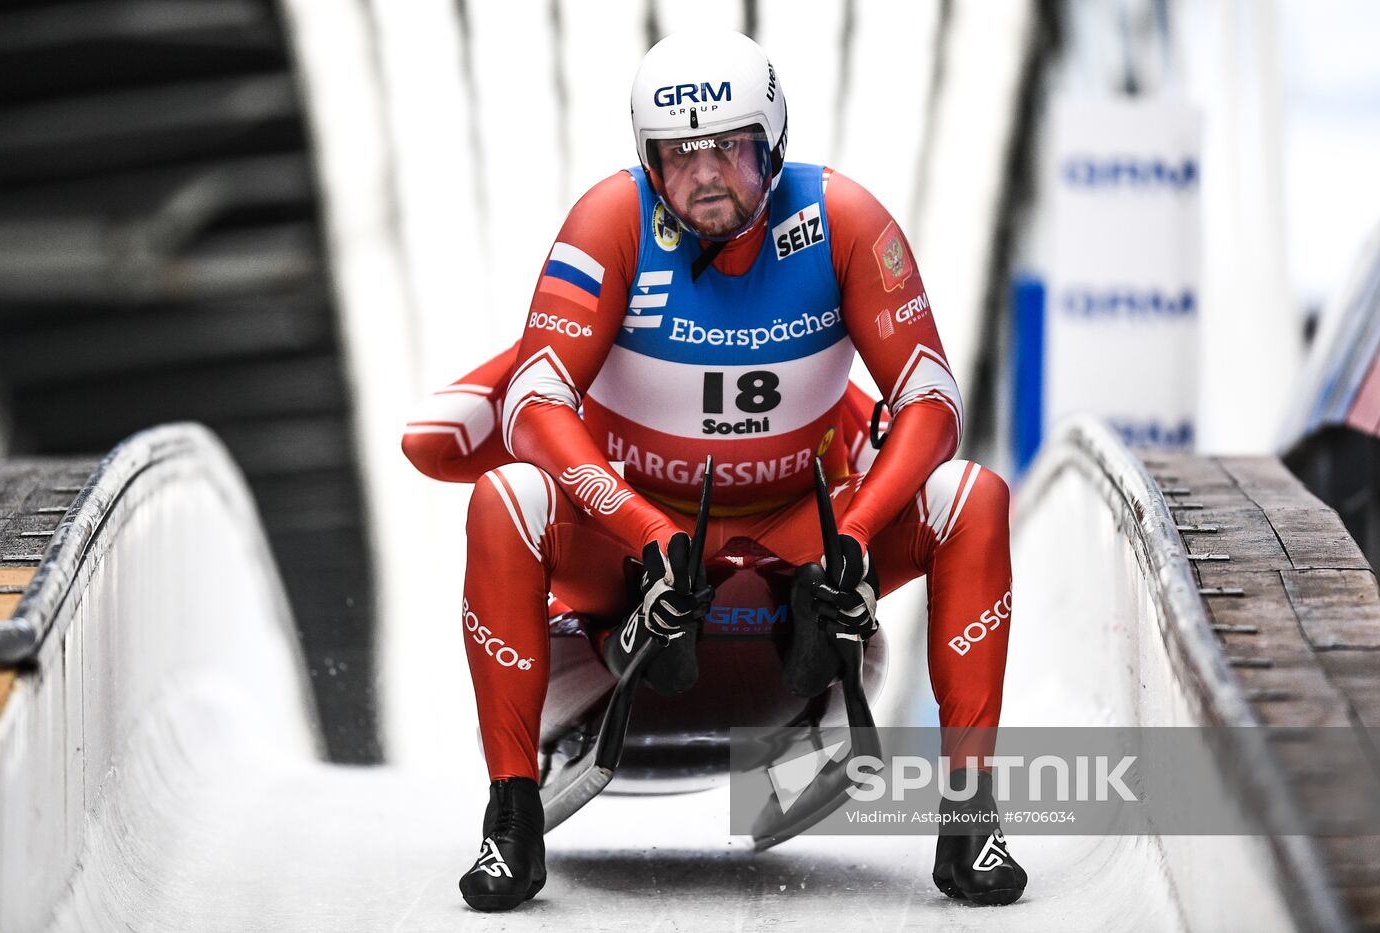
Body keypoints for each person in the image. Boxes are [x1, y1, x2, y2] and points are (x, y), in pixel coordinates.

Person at [403, 30, 1026, 912]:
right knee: (508, 500)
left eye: (728, 149)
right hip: (638, 541)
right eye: (677, 155)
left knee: (975, 498)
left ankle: (973, 821)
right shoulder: (608, 222)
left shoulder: (845, 220)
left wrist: (852, 535)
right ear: (647, 162)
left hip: (803, 533)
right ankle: (509, 815)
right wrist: (645, 530)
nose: (704, 177)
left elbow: (933, 401)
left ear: (771, 145)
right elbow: (533, 404)